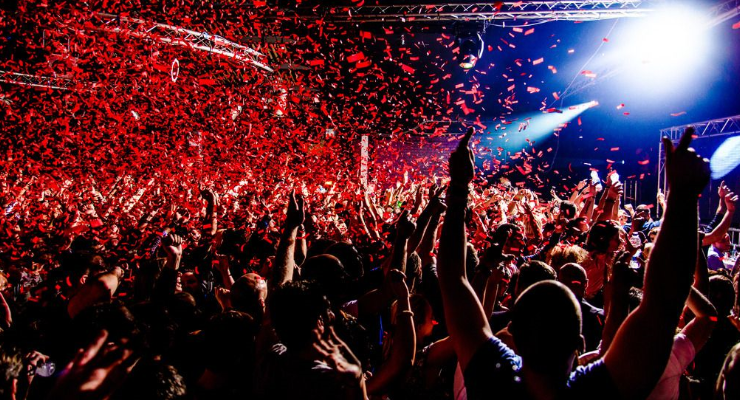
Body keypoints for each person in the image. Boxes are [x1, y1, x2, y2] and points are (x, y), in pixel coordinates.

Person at [438, 127, 710, 400]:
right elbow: (664, 303)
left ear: (513, 333)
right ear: (580, 342)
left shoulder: (490, 377)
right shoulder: (597, 392)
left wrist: (459, 186)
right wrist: (684, 196)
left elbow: (452, 278)